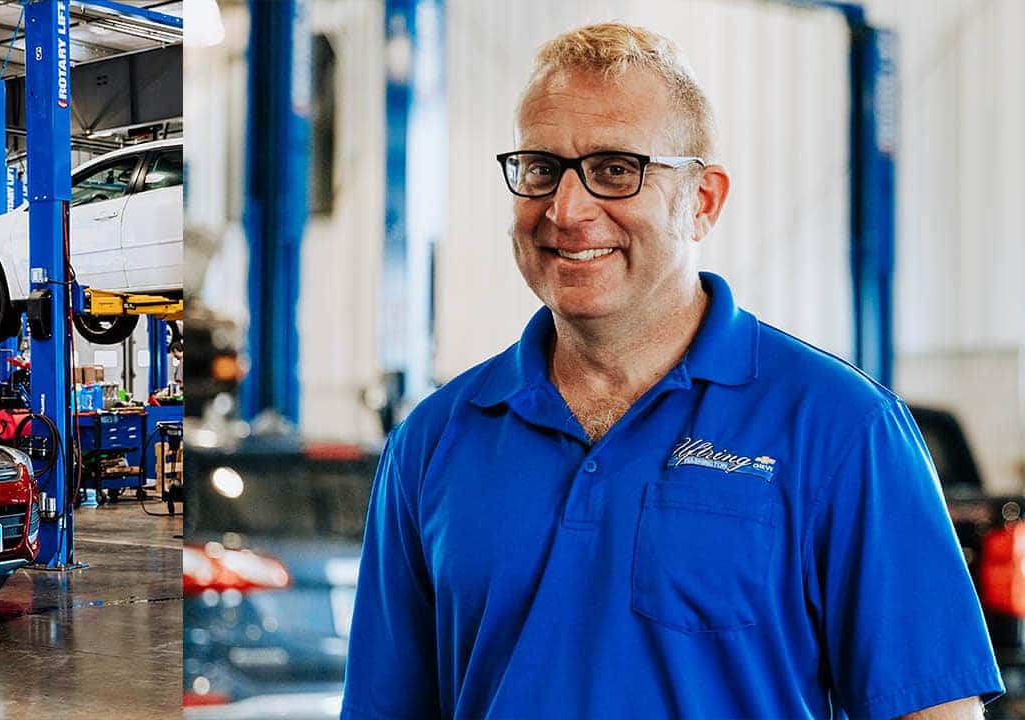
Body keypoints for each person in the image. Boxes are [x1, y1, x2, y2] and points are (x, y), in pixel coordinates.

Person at [342, 23, 1002, 719]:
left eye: (616, 170)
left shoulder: (842, 428)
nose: (567, 210)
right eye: (541, 168)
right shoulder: (435, 441)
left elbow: (933, 711)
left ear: (704, 202)